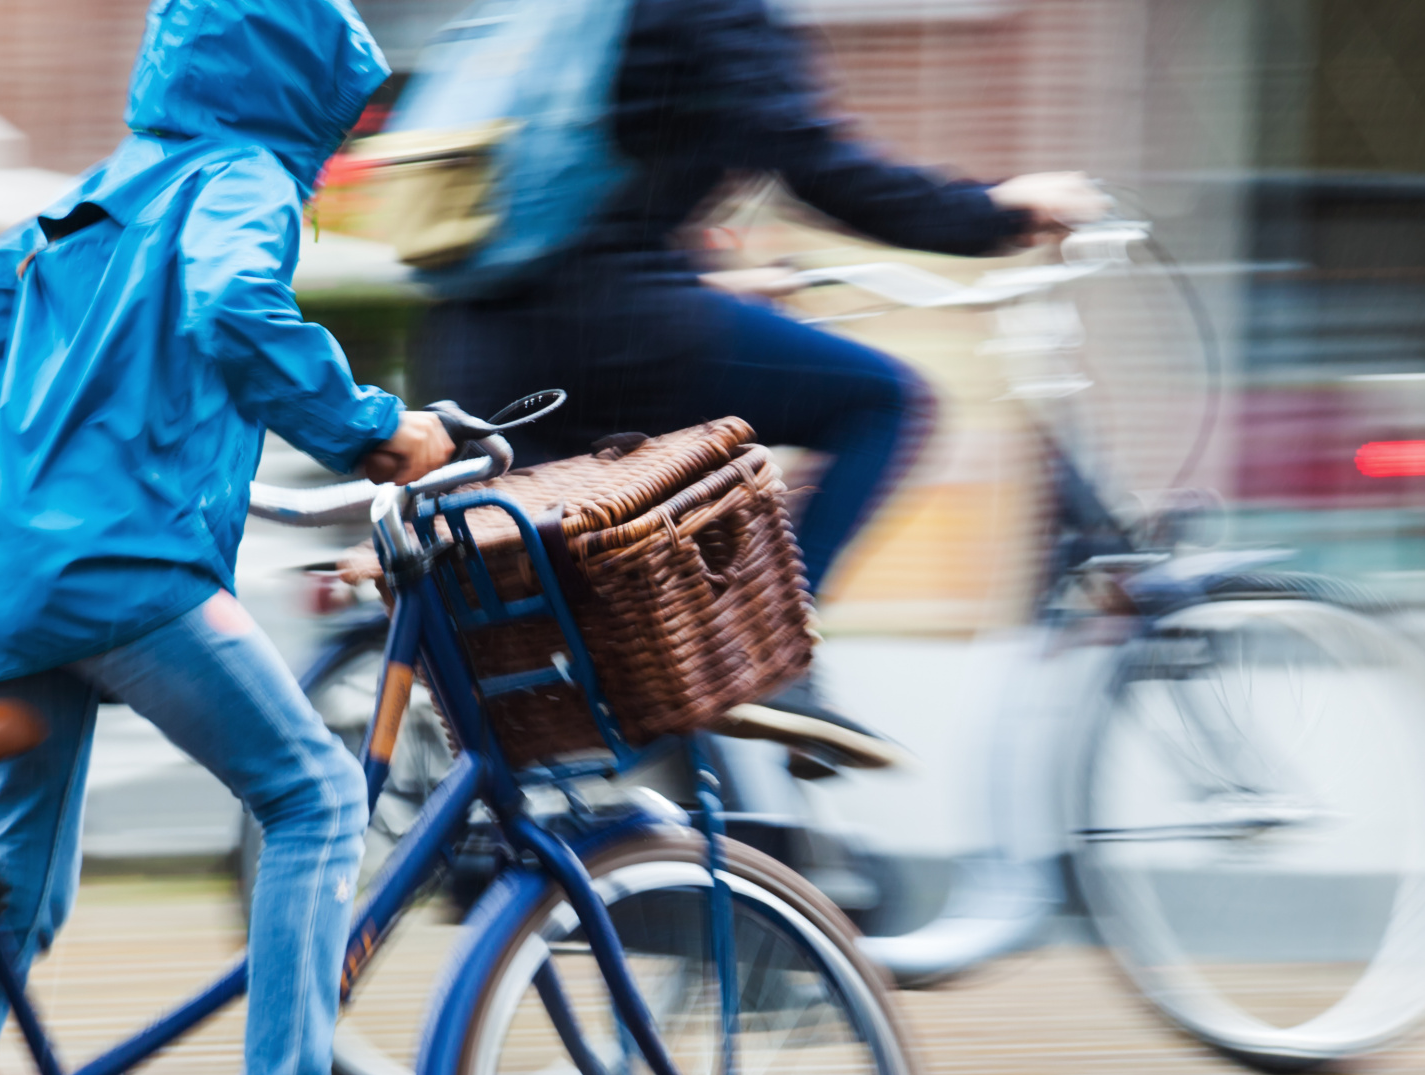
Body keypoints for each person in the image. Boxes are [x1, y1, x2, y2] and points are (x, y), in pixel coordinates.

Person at [0, 0, 463, 1075]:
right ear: (297, 78)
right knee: (315, 796)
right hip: (126, 575)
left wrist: (33, 492)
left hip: (1, 583)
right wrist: (376, 431)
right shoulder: (242, 177)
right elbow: (233, 311)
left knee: (16, 881)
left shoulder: (100, 192)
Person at [415, 0, 1106, 772]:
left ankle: (595, 853)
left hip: (477, 338)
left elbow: (599, 177)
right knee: (882, 399)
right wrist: (991, 213)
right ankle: (770, 656)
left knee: (615, 641)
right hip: (602, 332)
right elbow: (814, 163)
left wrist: (707, 275)